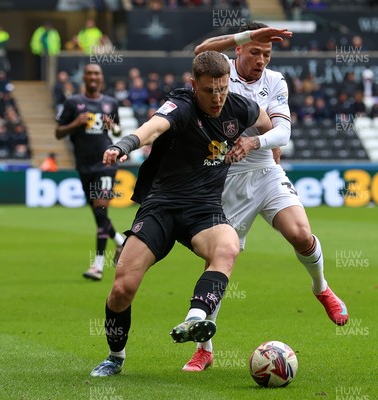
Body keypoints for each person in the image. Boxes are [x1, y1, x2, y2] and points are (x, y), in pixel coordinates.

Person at [89, 50, 274, 377]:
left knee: (228, 247)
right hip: (161, 205)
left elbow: (267, 123)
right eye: (208, 90)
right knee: (121, 289)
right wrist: (124, 145)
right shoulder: (182, 105)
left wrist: (256, 144)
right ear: (193, 85)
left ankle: (195, 317)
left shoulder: (238, 107)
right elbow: (153, 127)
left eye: (222, 89)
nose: (217, 98)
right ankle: (115, 356)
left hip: (203, 209)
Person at [184, 22, 349, 372]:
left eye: (267, 54)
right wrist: (245, 36)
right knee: (219, 261)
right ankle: (204, 348)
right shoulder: (221, 71)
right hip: (227, 181)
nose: (261, 60)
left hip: (265, 172)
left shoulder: (275, 81)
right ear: (239, 50)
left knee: (301, 234)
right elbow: (201, 51)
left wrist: (255, 141)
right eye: (255, 52)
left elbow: (284, 131)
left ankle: (321, 288)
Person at [55, 64, 125, 281]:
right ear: (84, 77)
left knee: (101, 209)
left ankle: (97, 266)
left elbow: (118, 130)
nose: (93, 77)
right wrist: (76, 123)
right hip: (84, 167)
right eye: (90, 73)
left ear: (101, 78)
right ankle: (122, 242)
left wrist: (112, 126)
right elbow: (58, 132)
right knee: (99, 214)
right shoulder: (73, 103)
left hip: (105, 163)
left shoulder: (110, 102)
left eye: (97, 74)